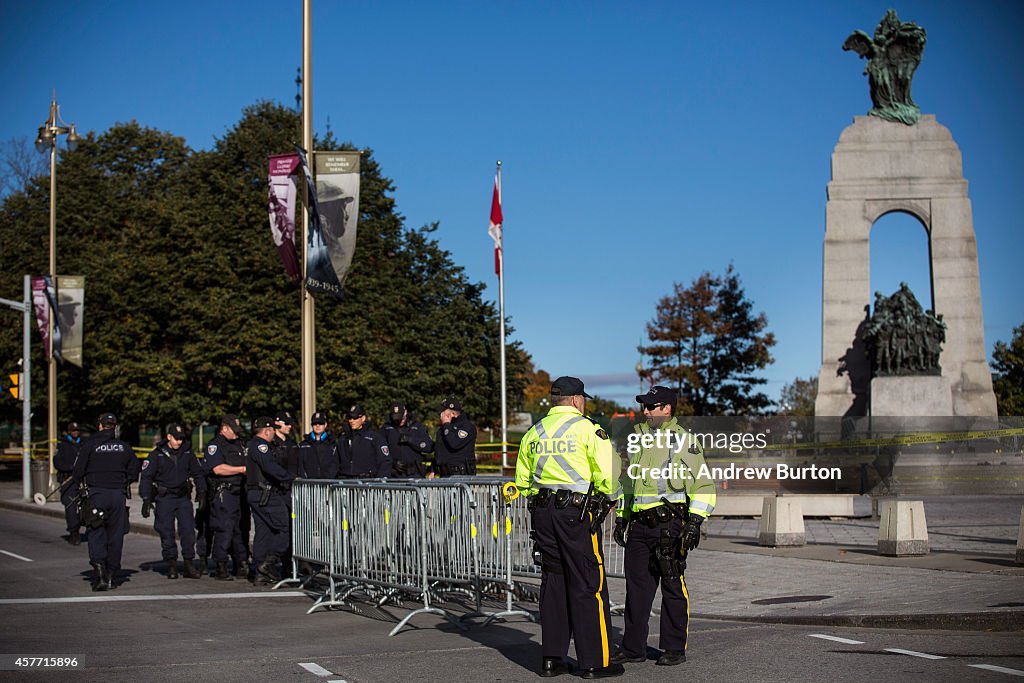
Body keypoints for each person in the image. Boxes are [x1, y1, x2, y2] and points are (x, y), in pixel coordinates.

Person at [515, 377, 623, 679]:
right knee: (588, 582)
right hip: (575, 514)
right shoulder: (588, 429)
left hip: (543, 513)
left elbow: (523, 481)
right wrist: (610, 499)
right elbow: (609, 472)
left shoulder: (534, 432)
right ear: (577, 400)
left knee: (554, 581)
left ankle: (553, 658)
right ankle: (595, 661)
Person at [610, 386, 717, 668]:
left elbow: (703, 485)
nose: (645, 411)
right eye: (645, 406)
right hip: (640, 527)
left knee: (672, 585)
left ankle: (673, 647)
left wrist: (694, 522)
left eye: (651, 406)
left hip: (669, 525)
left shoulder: (684, 441)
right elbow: (630, 483)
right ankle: (633, 648)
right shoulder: (639, 440)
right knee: (636, 590)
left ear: (666, 409)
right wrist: (622, 516)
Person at [72, 413, 140, 591]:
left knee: (96, 532)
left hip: (97, 494)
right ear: (115, 427)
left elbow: (77, 472)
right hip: (118, 495)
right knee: (116, 535)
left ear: (100, 426)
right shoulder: (124, 447)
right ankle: (111, 572)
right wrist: (123, 482)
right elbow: (135, 469)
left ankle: (101, 573)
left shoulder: (90, 445)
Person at [139, 423, 208, 580]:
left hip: (183, 498)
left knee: (188, 531)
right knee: (166, 531)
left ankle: (189, 564)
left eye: (181, 439)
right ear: (168, 437)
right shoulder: (157, 455)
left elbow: (197, 473)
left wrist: (202, 492)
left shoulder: (187, 453)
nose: (179, 442)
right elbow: (146, 477)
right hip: (165, 498)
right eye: (176, 439)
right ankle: (171, 564)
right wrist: (146, 499)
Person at [245, 416, 295, 584]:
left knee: (264, 532)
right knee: (285, 527)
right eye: (273, 430)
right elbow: (270, 467)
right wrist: (288, 478)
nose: (274, 433)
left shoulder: (255, 445)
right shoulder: (261, 446)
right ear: (267, 430)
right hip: (265, 494)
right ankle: (269, 562)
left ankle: (260, 572)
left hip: (258, 494)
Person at [205, 414, 248, 581]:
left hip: (240, 492)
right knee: (225, 529)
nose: (236, 434)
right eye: (234, 430)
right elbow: (218, 469)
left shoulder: (239, 444)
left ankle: (241, 563)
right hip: (225, 493)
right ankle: (221, 565)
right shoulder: (215, 445)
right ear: (224, 428)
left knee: (241, 529)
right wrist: (242, 469)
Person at [337, 404, 391, 479]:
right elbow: (335, 462)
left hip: (367, 483)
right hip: (346, 483)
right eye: (350, 418)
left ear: (363, 418)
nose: (352, 421)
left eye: (355, 418)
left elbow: (385, 462)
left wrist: (379, 482)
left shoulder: (374, 438)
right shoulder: (343, 439)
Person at [381, 403, 433, 478]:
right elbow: (380, 451)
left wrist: (411, 440)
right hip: (394, 475)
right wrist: (392, 462)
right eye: (396, 419)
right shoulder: (386, 429)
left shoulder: (417, 426)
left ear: (405, 412)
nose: (399, 421)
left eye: (400, 417)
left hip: (415, 473)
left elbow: (429, 447)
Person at [54, 421, 83, 545]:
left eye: (77, 430)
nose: (75, 432)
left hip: (81, 480)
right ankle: (74, 532)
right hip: (68, 480)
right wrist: (70, 468)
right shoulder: (62, 446)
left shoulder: (84, 444)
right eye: (73, 431)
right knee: (71, 507)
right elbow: (57, 462)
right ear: (69, 432)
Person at [433, 397, 477, 477]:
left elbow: (454, 443)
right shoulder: (442, 429)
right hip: (444, 474)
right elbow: (439, 450)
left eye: (442, 412)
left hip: (461, 475)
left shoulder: (467, 427)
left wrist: (446, 425)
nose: (440, 415)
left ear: (451, 414)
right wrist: (433, 468)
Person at [298, 411, 340, 479]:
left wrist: (330, 478)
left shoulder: (333, 444)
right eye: (315, 423)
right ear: (312, 425)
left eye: (320, 423)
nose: (317, 426)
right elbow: (300, 466)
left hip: (328, 484)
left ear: (325, 425)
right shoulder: (303, 445)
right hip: (308, 484)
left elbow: (335, 464)